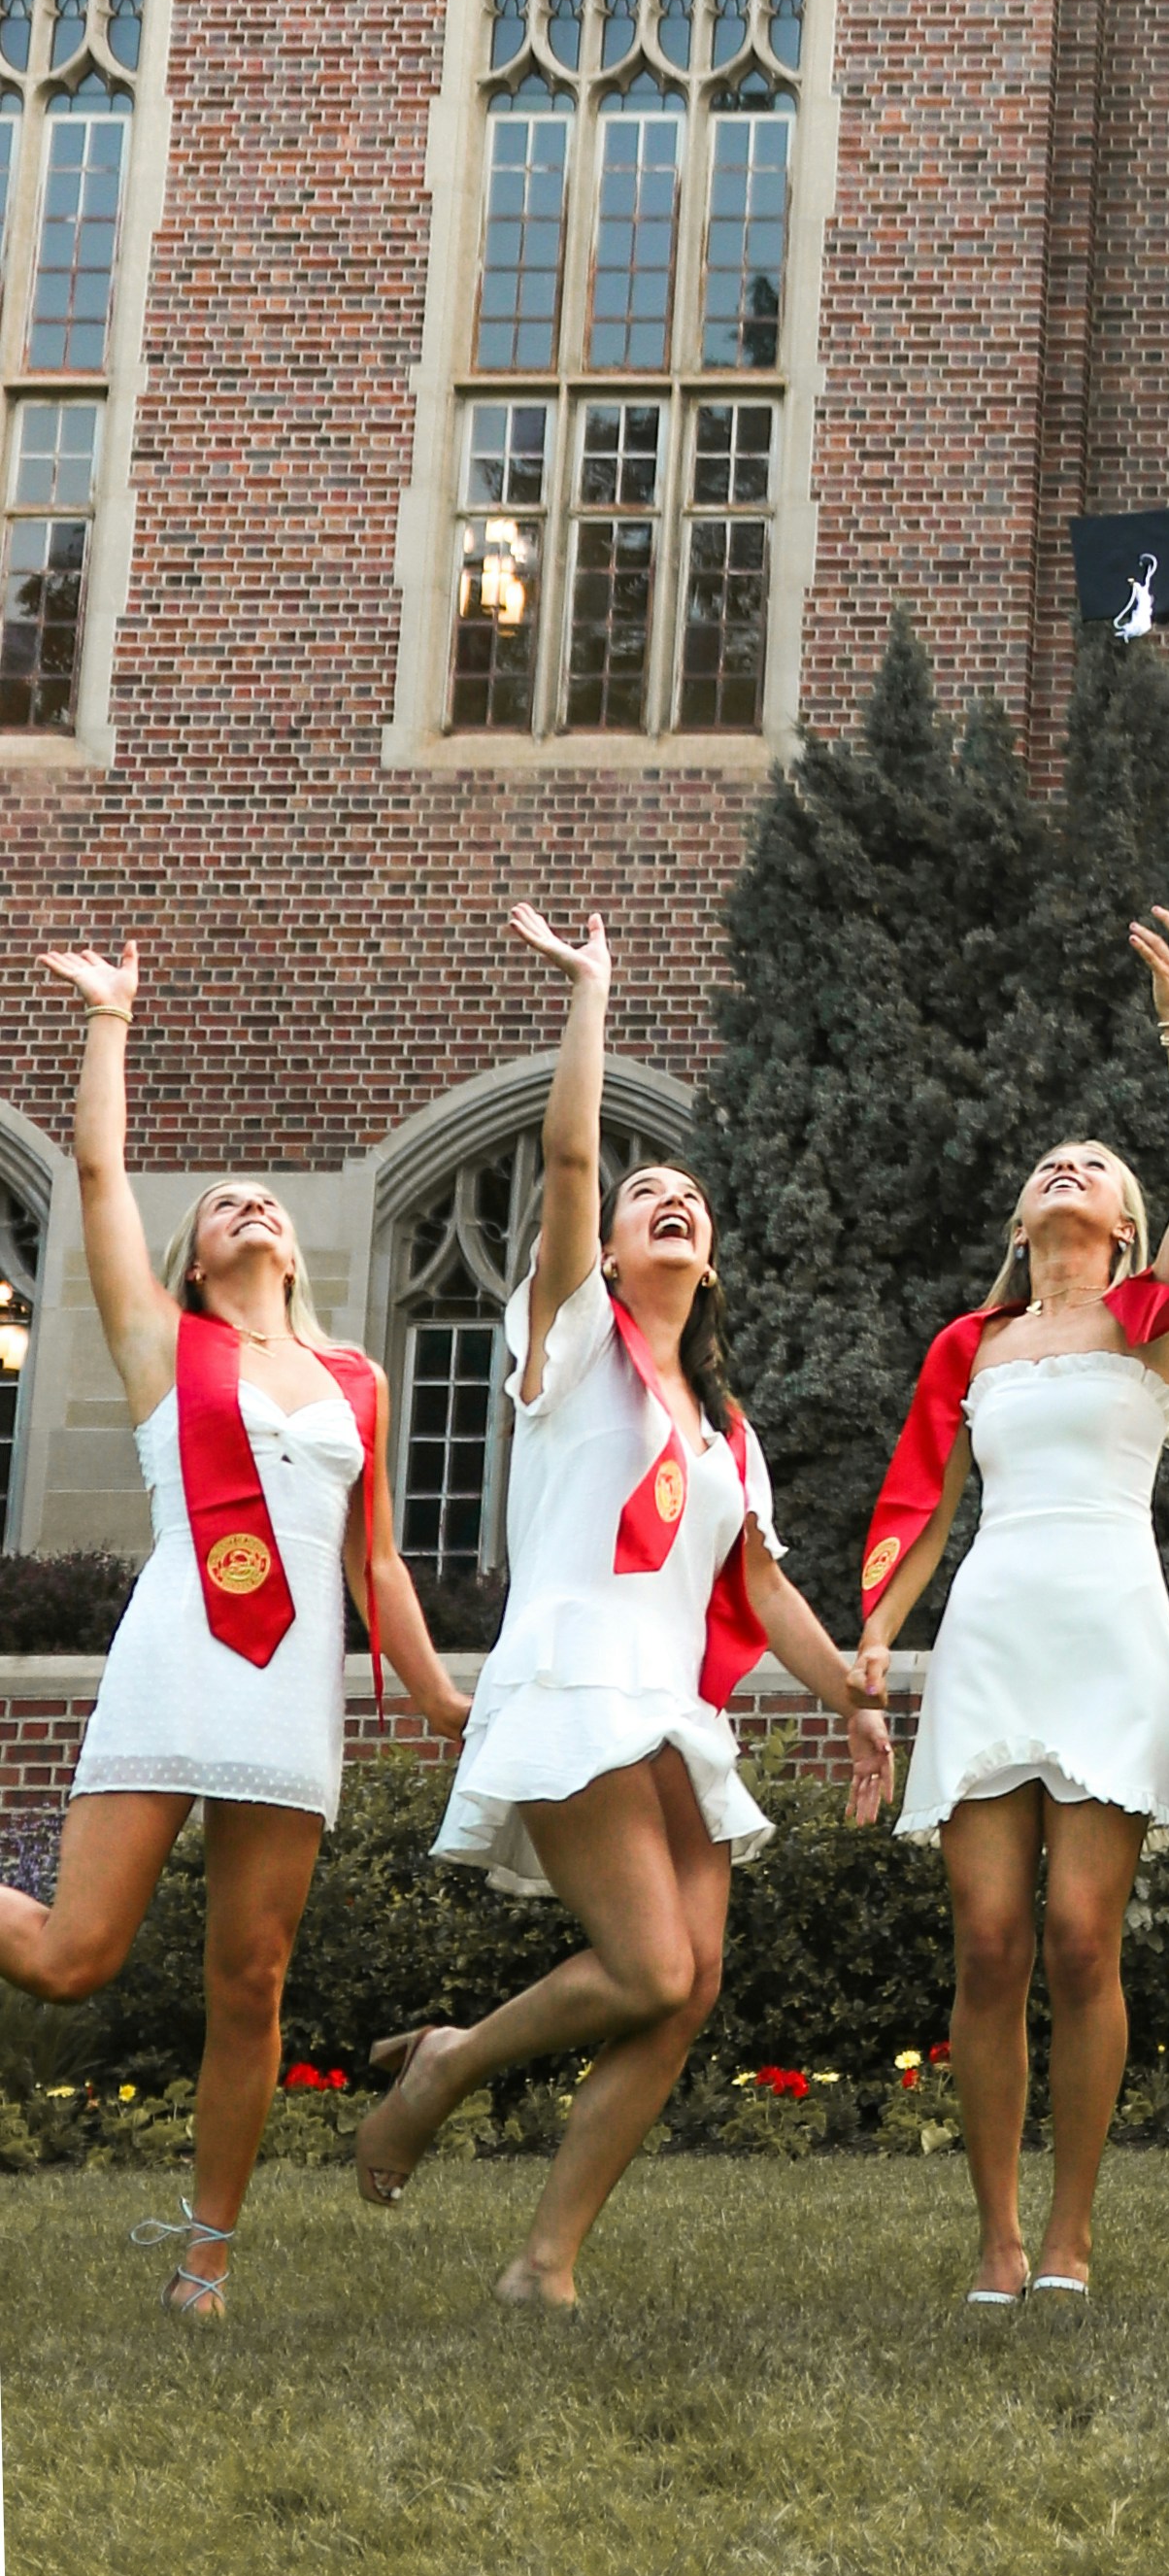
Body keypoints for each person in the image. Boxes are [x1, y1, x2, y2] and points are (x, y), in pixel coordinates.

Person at [353, 909, 890, 2298]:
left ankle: (546, 2261)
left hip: (675, 1709)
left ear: (709, 1263)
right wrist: (592, 994)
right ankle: (443, 2071)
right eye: (650, 1195)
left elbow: (762, 1585)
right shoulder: (576, 1348)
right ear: (605, 1245)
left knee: (689, 1987)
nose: (670, 1201)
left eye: (693, 1203)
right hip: (575, 1675)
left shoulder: (726, 1427)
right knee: (650, 1967)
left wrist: (854, 1708)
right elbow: (574, 1156)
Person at [0, 941, 462, 2313]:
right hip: (178, 1662)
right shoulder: (162, 1346)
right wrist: (109, 1022)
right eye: (220, 1204)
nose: (248, 1206)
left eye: (263, 1199)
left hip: (289, 1689)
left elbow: (377, 1562)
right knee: (77, 1960)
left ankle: (204, 2265)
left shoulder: (358, 1380)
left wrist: (441, 1700)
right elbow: (92, 1181)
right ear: (197, 1262)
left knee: (250, 1978)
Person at [852, 901, 1169, 2311]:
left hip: (1111, 1631)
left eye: (1092, 1166)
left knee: (1082, 1937)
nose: (1065, 1169)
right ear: (1023, 1219)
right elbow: (917, 1507)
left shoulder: (1150, 1320)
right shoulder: (975, 1343)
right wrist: (877, 1649)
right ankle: (999, 2237)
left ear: (1124, 1226)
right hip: (996, 1635)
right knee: (990, 1938)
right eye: (1047, 1165)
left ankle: (1073, 2231)